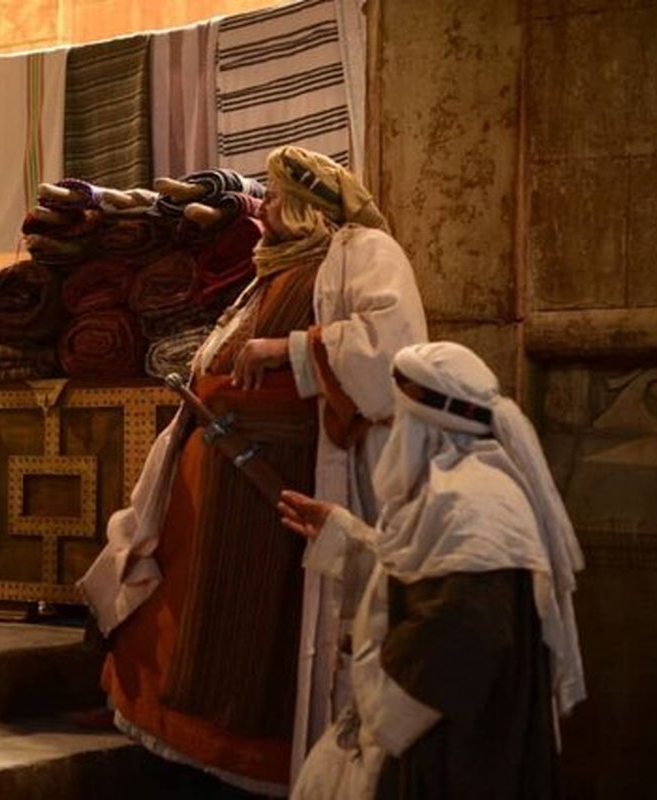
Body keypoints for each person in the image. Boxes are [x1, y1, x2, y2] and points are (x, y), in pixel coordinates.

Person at [77, 146, 426, 796]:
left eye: (275, 193)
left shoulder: (362, 251)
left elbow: (390, 351)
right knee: (169, 600)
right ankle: (159, 721)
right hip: (213, 470)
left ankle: (237, 755)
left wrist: (288, 349)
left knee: (249, 620)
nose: (262, 205)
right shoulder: (271, 269)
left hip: (275, 476)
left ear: (309, 203)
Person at [278, 341, 585, 799]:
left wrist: (382, 687)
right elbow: (422, 576)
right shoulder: (457, 491)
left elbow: (464, 628)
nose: (392, 430)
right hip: (439, 734)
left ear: (423, 423)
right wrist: (343, 535)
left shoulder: (477, 503)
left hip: (453, 748)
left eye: (399, 418)